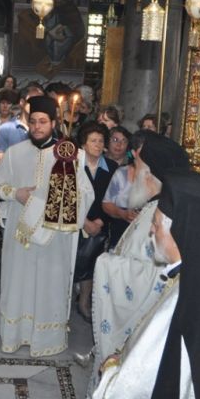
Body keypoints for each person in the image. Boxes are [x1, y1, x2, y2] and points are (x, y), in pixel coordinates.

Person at [92, 171, 200, 399]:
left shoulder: (196, 300)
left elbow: (137, 388)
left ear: (178, 231)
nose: (151, 231)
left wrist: (110, 373)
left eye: (156, 224)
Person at [85, 131, 190, 387]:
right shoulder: (153, 207)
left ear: (151, 175)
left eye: (139, 166)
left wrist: (106, 264)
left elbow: (153, 277)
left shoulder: (160, 215)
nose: (135, 172)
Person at [0, 96, 94, 356]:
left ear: (54, 123)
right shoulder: (15, 153)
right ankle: (16, 334)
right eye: (33, 121)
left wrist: (67, 198)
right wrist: (16, 193)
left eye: (43, 122)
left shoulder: (73, 156)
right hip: (20, 233)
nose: (37, 127)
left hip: (54, 238)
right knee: (19, 282)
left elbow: (86, 193)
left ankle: (46, 338)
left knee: (49, 283)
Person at [75, 123, 118, 321]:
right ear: (83, 144)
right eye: (93, 140)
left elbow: (114, 198)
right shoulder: (73, 165)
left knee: (91, 265)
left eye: (101, 141)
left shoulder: (112, 168)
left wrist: (99, 221)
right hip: (76, 223)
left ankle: (84, 303)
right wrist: (83, 222)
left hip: (100, 224)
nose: (98, 145)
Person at [0, 84, 44, 162]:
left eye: (40, 102)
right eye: (33, 101)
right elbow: (1, 163)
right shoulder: (6, 129)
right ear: (22, 102)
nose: (37, 105)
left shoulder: (45, 129)